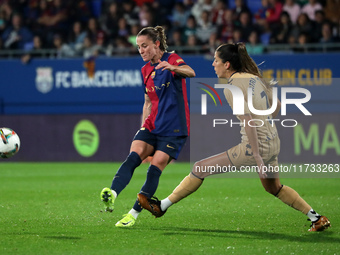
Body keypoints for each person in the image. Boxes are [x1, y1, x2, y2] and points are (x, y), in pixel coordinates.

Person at [138, 43, 331, 232]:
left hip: (255, 147)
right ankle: (316, 218)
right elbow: (278, 105)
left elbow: (248, 121)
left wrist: (256, 155)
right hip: (273, 141)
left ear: (227, 64)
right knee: (274, 188)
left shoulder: (232, 87)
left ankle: (161, 207)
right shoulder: (253, 77)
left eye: (216, 60)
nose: (213, 64)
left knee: (199, 168)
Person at [100, 25, 196, 227]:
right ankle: (112, 193)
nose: (141, 51)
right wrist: (143, 126)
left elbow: (191, 72)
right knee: (133, 157)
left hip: (174, 129)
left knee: (155, 168)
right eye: (138, 47)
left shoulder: (171, 58)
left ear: (157, 44)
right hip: (152, 126)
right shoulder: (145, 70)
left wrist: (173, 68)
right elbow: (148, 101)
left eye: (145, 46)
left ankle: (132, 214)